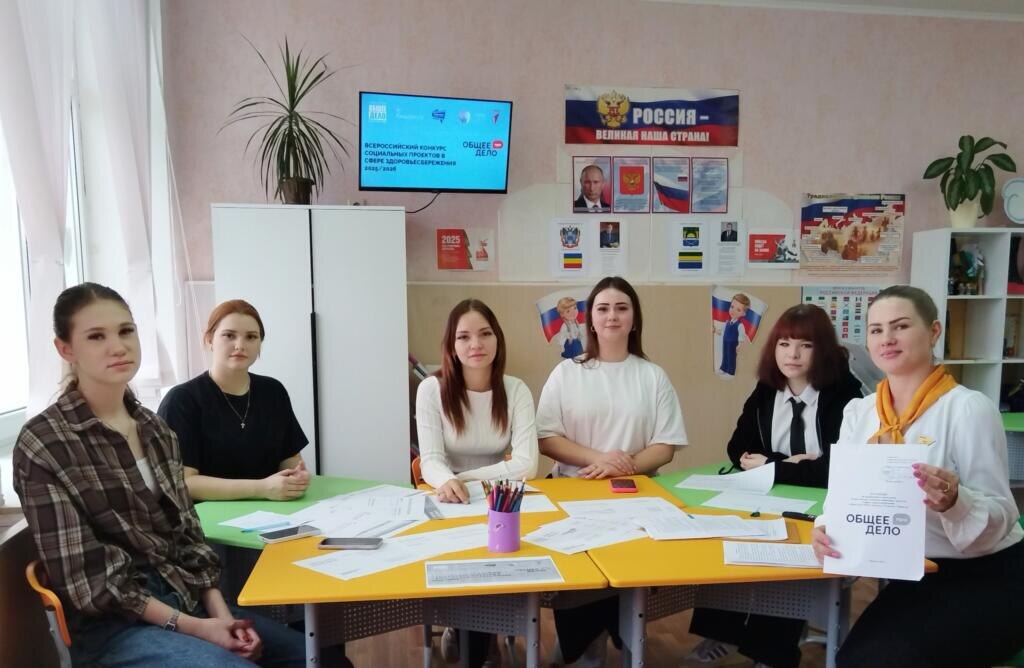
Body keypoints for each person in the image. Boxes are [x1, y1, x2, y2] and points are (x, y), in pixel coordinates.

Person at [13, 283, 305, 667]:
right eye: (97, 336)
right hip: (115, 627)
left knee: (312, 656)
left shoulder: (155, 430)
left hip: (189, 599)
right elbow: (91, 582)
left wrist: (221, 618)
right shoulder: (44, 443)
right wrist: (199, 629)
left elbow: (189, 537)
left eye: (126, 331)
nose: (118, 346)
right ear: (66, 349)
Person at [812, 285, 1024, 668]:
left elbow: (1001, 514)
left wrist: (956, 502)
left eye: (901, 326)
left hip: (985, 574)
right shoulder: (861, 414)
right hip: (915, 572)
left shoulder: (968, 409)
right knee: (855, 659)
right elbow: (842, 496)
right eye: (876, 330)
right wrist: (827, 527)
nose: (887, 339)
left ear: (934, 331)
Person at [687, 303, 862, 668]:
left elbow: (841, 469)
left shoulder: (846, 395)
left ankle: (771, 653)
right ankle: (722, 632)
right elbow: (738, 448)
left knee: (790, 555)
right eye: (784, 344)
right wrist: (789, 464)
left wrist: (774, 466)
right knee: (730, 536)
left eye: (805, 345)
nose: (792, 354)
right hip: (769, 495)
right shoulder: (768, 389)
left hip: (827, 504)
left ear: (823, 350)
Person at [536, 276, 687, 666]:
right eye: (602, 308)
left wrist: (625, 466)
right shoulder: (567, 372)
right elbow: (547, 438)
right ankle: (581, 646)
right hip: (573, 492)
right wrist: (601, 459)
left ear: (634, 318)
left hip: (633, 496)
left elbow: (666, 446)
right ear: (590, 319)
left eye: (621, 308)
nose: (612, 316)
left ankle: (602, 642)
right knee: (581, 578)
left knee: (624, 574)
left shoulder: (652, 376)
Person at [415, 298, 539, 667]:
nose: (476, 344)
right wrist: (447, 481)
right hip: (449, 498)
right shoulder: (432, 389)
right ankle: (470, 632)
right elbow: (431, 459)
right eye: (464, 337)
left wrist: (463, 479)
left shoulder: (515, 390)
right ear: (451, 345)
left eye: (485, 334)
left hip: (499, 498)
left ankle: (480, 633)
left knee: (504, 555)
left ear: (498, 338)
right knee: (465, 559)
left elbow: (528, 464)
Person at [158, 300, 310, 502]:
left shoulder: (273, 391)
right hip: (207, 516)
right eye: (229, 335)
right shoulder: (182, 400)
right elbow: (184, 482)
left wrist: (297, 477)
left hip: (274, 511)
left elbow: (290, 460)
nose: (240, 345)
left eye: (251, 337)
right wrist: (262, 488)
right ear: (209, 339)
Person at [716, 293, 750, 376]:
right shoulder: (727, 322)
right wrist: (715, 330)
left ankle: (730, 371)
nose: (733, 311)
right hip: (725, 342)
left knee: (731, 357)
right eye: (732, 307)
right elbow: (721, 331)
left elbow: (741, 336)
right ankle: (723, 368)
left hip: (733, 344)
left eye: (738, 310)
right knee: (725, 355)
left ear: (743, 313)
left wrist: (739, 344)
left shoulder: (740, 325)